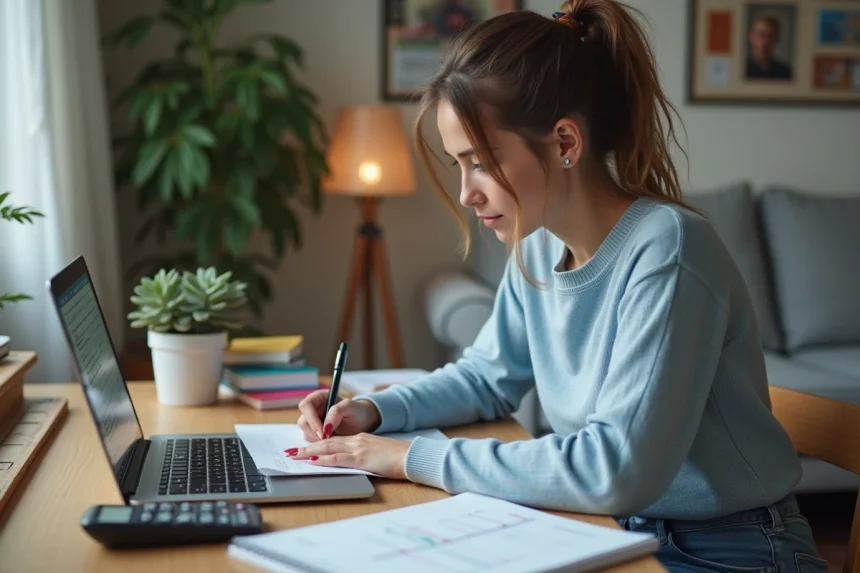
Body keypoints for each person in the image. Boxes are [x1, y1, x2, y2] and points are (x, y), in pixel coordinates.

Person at [291, 1, 827, 571]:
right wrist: (371, 411)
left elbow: (615, 468)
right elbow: (486, 377)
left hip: (727, 548)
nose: (468, 192)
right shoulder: (540, 245)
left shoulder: (667, 249)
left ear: (565, 143)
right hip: (609, 528)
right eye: (458, 166)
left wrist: (411, 458)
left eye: (480, 161)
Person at [746, 13, 793, 80]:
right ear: (752, 37)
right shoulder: (742, 69)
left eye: (770, 35)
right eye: (761, 34)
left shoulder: (786, 72)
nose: (766, 40)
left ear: (776, 38)